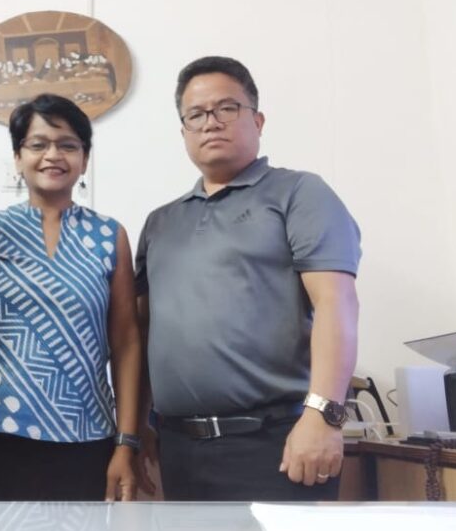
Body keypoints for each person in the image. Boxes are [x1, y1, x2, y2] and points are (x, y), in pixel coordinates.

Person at [134, 56, 361, 501]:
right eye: (196, 114)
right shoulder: (160, 222)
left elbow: (339, 303)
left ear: (257, 120)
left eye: (227, 108)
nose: (211, 123)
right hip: (178, 448)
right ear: (183, 132)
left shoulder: (298, 193)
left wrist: (323, 417)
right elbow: (143, 333)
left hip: (276, 442)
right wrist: (138, 428)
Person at [0, 93, 141, 501]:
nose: (52, 155)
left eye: (68, 145)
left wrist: (127, 441)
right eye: (38, 144)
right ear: (18, 157)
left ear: (85, 159)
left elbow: (126, 342)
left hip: (85, 434)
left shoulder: (110, 236)